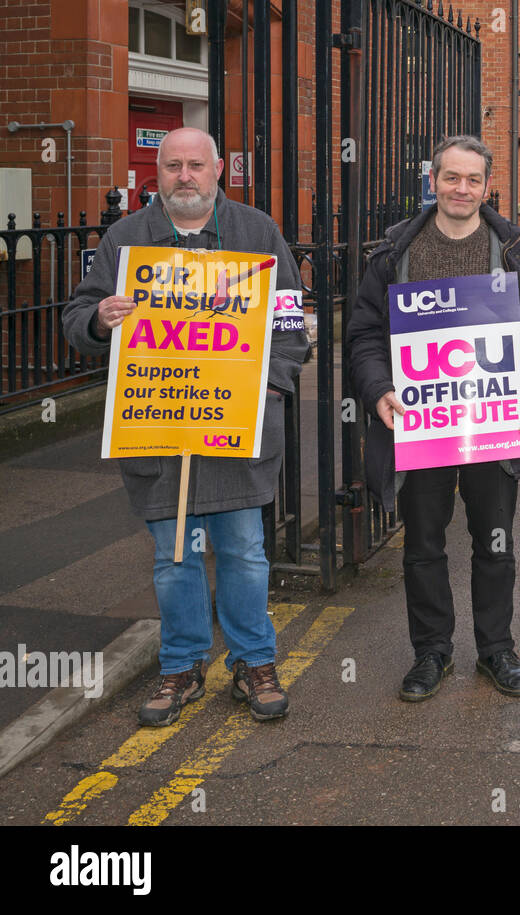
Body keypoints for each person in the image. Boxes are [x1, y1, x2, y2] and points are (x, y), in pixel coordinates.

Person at [62, 127, 310, 726]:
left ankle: (254, 662)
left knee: (245, 553)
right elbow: (76, 320)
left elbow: (291, 325)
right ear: (159, 171)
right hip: (157, 431)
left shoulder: (258, 233)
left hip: (234, 431)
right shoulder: (125, 241)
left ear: (219, 168)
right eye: (172, 166)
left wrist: (269, 385)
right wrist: (98, 318)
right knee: (174, 559)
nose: (184, 177)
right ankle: (182, 665)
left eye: (196, 165)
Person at [347, 135, 520, 702]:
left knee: (494, 544)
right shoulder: (394, 254)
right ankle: (431, 652)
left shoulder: (516, 251)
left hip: (496, 422)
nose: (461, 189)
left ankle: (497, 650)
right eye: (451, 178)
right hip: (420, 424)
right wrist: (377, 392)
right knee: (423, 546)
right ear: (433, 181)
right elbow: (364, 334)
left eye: (473, 180)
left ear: (487, 186)